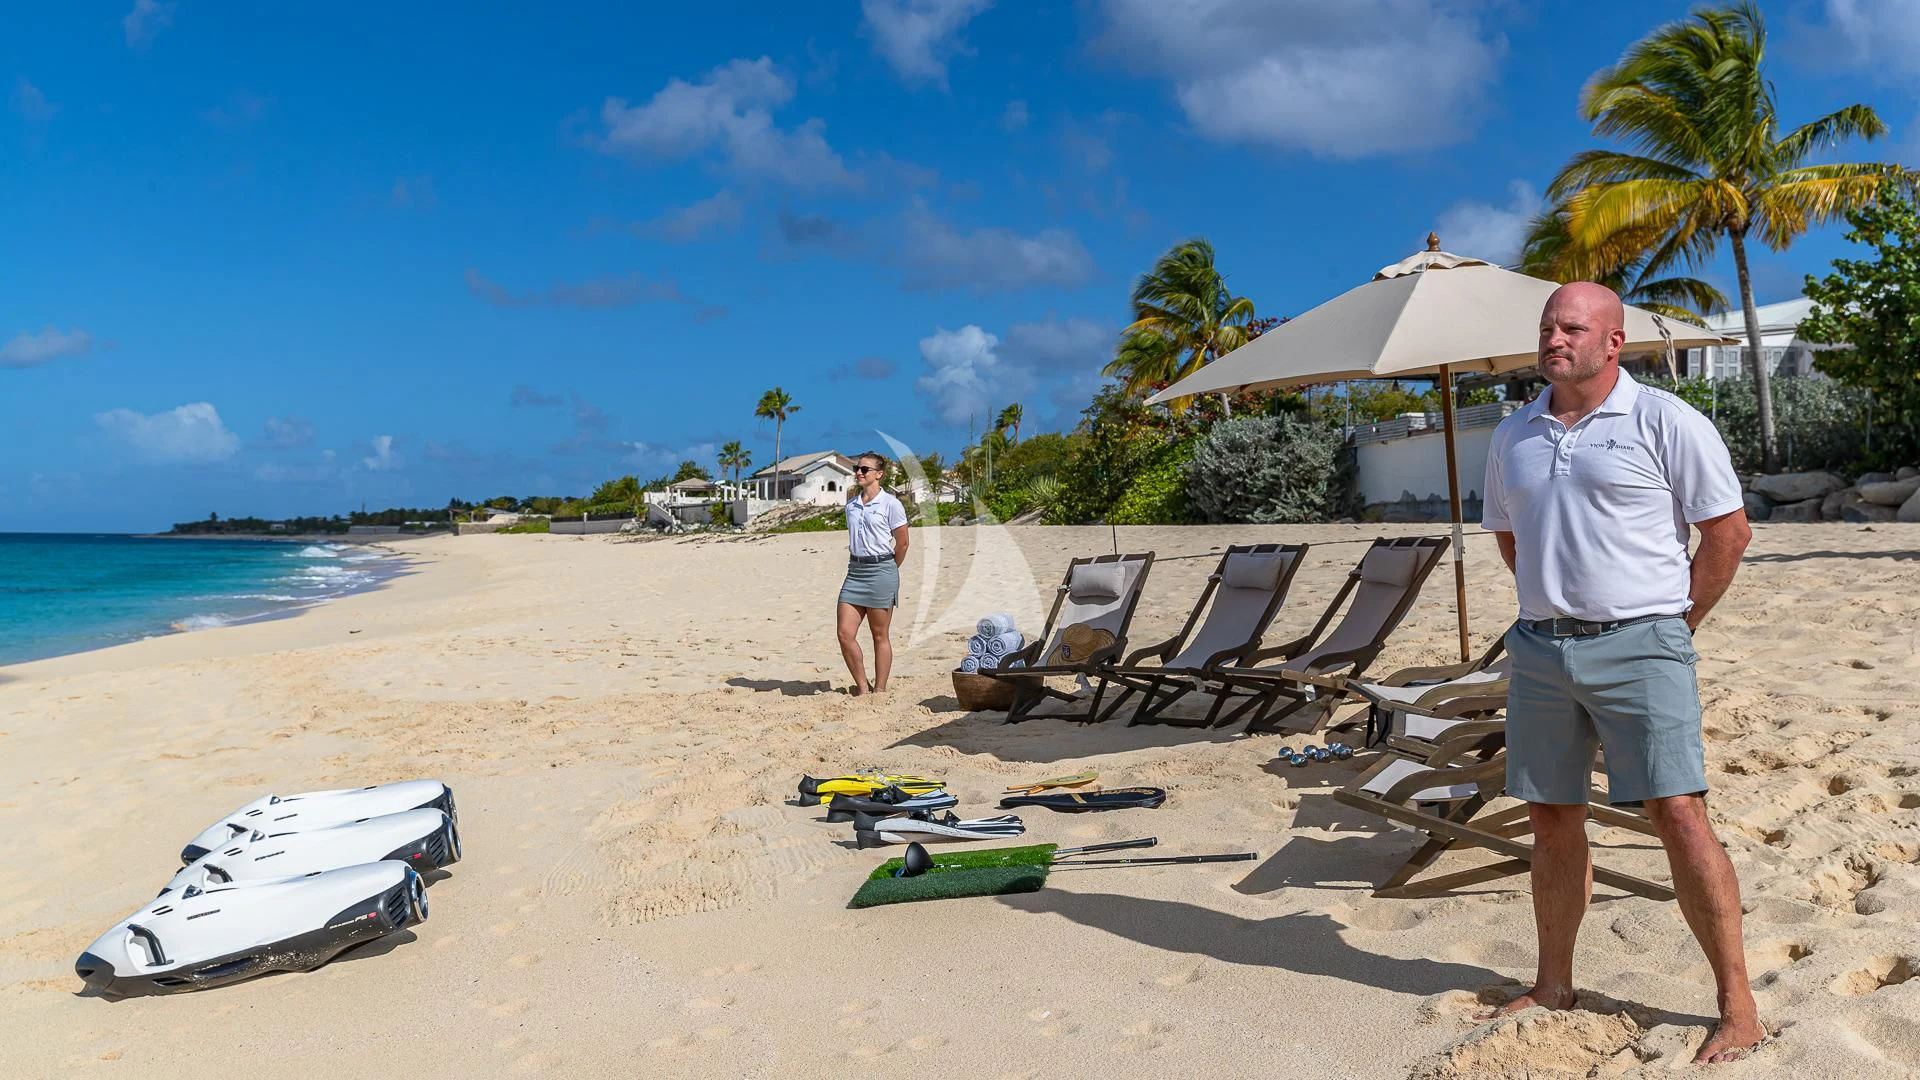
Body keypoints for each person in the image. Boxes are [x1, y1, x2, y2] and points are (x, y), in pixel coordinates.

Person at [1478, 282, 1763, 1064]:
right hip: (1540, 650)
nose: (1554, 338)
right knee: (1550, 816)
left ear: (1613, 342)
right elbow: (1511, 541)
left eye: (1572, 326)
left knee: (1677, 813)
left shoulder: (1665, 420)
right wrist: (1558, 604)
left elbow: (1728, 536)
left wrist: (1672, 628)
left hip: (1642, 643)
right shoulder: (1513, 435)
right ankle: (1554, 983)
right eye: (1547, 326)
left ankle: (1738, 1005)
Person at [836, 450, 909, 696]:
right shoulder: (851, 506)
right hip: (854, 572)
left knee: (879, 635)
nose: (858, 472)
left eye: (864, 469)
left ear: (879, 475)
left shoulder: (891, 504)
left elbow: (902, 543)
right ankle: (863, 688)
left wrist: (888, 569)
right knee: (845, 634)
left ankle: (880, 689)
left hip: (882, 570)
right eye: (857, 468)